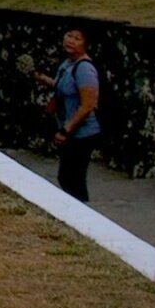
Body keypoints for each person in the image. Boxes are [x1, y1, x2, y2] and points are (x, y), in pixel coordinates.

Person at [49, 26, 101, 200]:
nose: (71, 40)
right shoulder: (67, 64)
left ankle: (83, 217)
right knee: (67, 178)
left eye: (77, 38)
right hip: (72, 131)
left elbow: (88, 105)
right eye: (69, 36)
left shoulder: (84, 69)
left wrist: (66, 130)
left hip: (82, 133)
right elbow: (61, 86)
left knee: (73, 179)